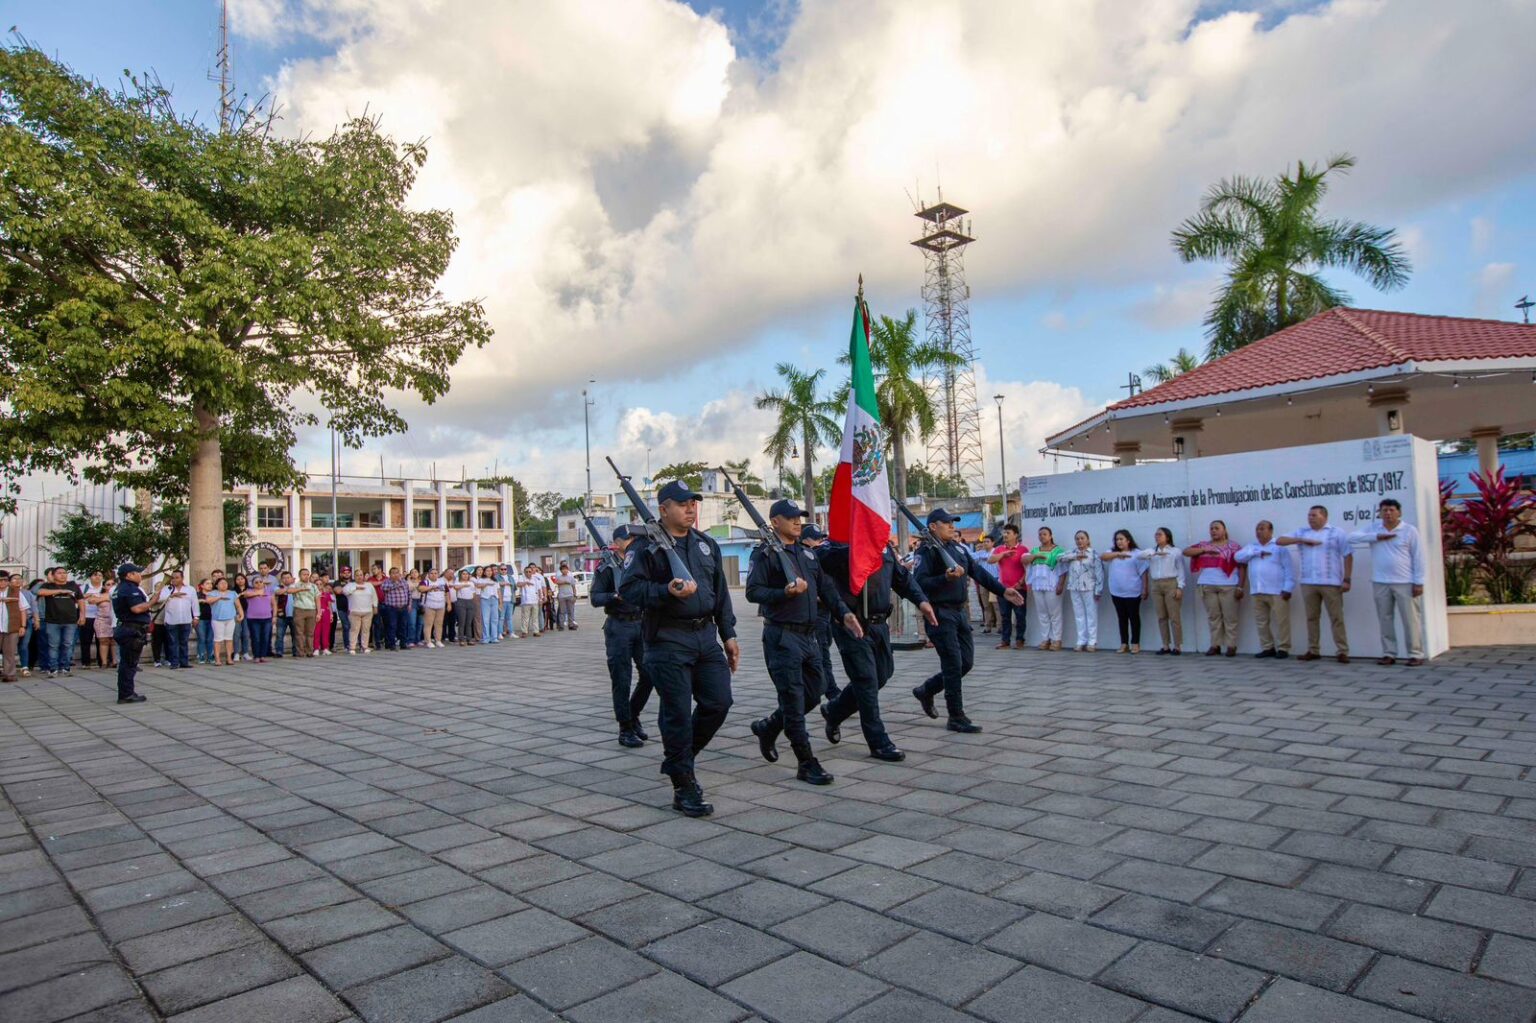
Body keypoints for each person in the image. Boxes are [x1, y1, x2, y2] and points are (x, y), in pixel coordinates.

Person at [619, 479, 740, 817]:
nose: (691, 508)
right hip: (667, 640)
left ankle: (679, 761)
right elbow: (628, 590)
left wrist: (728, 634)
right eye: (683, 503)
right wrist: (665, 592)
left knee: (719, 702)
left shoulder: (705, 544)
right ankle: (684, 784)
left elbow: (721, 593)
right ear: (663, 509)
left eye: (693, 503)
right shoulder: (644, 547)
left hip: (706, 636)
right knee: (676, 713)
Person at [745, 500, 861, 786]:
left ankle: (769, 726)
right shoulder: (765, 554)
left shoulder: (807, 555)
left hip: (810, 636)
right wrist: (784, 592)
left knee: (816, 691)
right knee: (794, 700)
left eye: (799, 517)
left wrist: (844, 613)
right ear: (775, 522)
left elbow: (828, 589)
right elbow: (753, 592)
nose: (798, 522)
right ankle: (806, 761)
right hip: (782, 636)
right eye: (791, 518)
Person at [818, 529, 936, 762]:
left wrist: (921, 600)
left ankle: (835, 710)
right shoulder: (836, 547)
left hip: (880, 625)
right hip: (852, 624)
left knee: (882, 674)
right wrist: (854, 547)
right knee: (866, 680)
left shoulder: (885, 548)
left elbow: (902, 579)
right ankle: (878, 741)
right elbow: (823, 562)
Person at [912, 508, 1024, 733]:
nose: (952, 526)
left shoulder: (957, 548)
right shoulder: (927, 551)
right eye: (947, 523)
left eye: (953, 522)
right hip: (939, 614)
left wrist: (1004, 591)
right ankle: (956, 715)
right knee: (953, 664)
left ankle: (927, 689)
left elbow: (978, 573)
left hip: (960, 613)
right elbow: (919, 582)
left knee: (966, 663)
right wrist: (945, 577)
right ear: (933, 526)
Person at [591, 525, 652, 748]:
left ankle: (632, 714)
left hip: (641, 623)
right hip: (619, 626)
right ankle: (624, 728)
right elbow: (595, 598)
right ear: (618, 543)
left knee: (650, 674)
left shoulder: (639, 562)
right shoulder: (607, 567)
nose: (634, 542)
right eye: (629, 539)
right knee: (622, 679)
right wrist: (613, 595)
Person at [1349, 498, 1426, 666]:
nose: (1388, 513)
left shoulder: (1409, 530)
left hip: (1405, 582)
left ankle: (1415, 654)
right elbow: (1352, 537)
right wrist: (1377, 537)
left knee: (1411, 620)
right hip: (1380, 581)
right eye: (1384, 510)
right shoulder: (1375, 528)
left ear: (1399, 512)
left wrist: (1418, 582)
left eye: (1391, 510)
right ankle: (1389, 653)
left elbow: (1418, 557)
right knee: (1385, 618)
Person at [1278, 505, 1353, 664]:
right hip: (1308, 582)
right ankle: (1313, 649)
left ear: (1324, 517)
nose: (1310, 518)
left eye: (1314, 515)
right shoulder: (1302, 532)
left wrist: (1347, 578)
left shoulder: (1336, 532)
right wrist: (1301, 540)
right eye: (1309, 515)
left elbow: (1347, 555)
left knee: (1336, 618)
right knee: (1312, 617)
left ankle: (1342, 651)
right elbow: (1279, 540)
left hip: (1331, 582)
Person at [1186, 520, 1245, 657]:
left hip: (1229, 585)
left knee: (1230, 617)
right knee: (1214, 617)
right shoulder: (1204, 545)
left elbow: (1242, 567)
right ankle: (1215, 645)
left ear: (1224, 530)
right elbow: (1187, 551)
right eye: (1211, 528)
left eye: (1217, 528)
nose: (1213, 531)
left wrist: (1241, 587)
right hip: (1207, 584)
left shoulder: (1234, 546)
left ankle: (1231, 645)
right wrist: (1204, 550)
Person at [1236, 521, 1294, 659]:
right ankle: (1268, 647)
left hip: (1277, 591)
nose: (1259, 532)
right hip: (1257, 590)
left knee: (1281, 621)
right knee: (1261, 621)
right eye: (1257, 529)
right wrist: (1257, 552)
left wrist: (1288, 588)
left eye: (1262, 529)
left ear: (1271, 531)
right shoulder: (1252, 547)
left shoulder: (1279, 547)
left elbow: (1289, 569)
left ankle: (1283, 648)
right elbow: (1237, 557)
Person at [798, 524, 840, 702]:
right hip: (814, 615)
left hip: (826, 614)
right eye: (817, 538)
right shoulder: (802, 557)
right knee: (822, 655)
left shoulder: (819, 556)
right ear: (805, 540)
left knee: (822, 652)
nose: (821, 542)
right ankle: (832, 692)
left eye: (822, 538)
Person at [1138, 527, 1186, 654]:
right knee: (1161, 616)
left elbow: (1181, 569)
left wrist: (1180, 586)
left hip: (1171, 582)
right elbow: (1139, 555)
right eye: (1156, 534)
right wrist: (1154, 554)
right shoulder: (1152, 550)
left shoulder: (1175, 551)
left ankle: (1177, 646)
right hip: (1156, 584)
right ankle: (1165, 645)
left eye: (1160, 534)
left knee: (1174, 616)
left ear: (1167, 537)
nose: (1157, 536)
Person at [1101, 529, 1148, 653]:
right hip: (1116, 591)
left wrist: (1145, 588)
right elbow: (1103, 557)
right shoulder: (1112, 552)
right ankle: (1124, 643)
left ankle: (1135, 643)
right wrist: (1118, 554)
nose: (1119, 542)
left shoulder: (1137, 553)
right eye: (1117, 539)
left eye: (1121, 539)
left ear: (1128, 540)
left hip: (1133, 591)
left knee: (1134, 617)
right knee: (1122, 618)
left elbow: (1143, 573)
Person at [111, 563, 152, 704]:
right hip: (131, 629)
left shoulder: (120, 588)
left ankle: (127, 692)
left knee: (127, 663)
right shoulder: (129, 589)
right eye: (137, 572)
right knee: (129, 664)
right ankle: (126, 694)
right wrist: (152, 602)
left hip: (127, 628)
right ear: (129, 575)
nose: (140, 575)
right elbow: (136, 608)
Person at [36, 566, 86, 677]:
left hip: (70, 620)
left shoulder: (73, 585)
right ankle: (53, 668)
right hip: (52, 621)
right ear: (53, 575)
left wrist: (82, 615)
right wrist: (61, 590)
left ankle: (66, 667)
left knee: (68, 644)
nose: (62, 575)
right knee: (53, 645)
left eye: (64, 573)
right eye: (59, 573)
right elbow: (40, 592)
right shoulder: (48, 586)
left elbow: (81, 601)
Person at [1061, 530, 1104, 652]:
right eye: (1077, 539)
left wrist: (1098, 590)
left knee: (1091, 615)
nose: (1080, 541)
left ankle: (1092, 641)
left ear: (1088, 540)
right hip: (1074, 587)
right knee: (1079, 615)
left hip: (1089, 587)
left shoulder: (1093, 554)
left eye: (1082, 538)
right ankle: (1081, 640)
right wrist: (1075, 556)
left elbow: (1099, 573)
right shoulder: (1072, 553)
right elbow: (1060, 558)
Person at [989, 525, 1030, 650]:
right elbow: (990, 560)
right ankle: (1005, 641)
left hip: (1019, 588)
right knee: (1005, 615)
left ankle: (1019, 640)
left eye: (1008, 532)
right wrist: (1003, 554)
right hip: (1004, 589)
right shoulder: (999, 549)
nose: (1005, 535)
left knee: (1020, 615)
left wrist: (1021, 581)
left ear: (1016, 534)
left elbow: (1028, 568)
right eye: (1004, 532)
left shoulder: (1023, 549)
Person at [1026, 528, 1066, 651]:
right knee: (1042, 613)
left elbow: (1063, 570)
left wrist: (1060, 584)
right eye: (1040, 535)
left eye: (1044, 534)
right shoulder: (1035, 550)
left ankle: (1056, 639)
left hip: (1052, 585)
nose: (1042, 537)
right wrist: (1035, 556)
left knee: (1054, 614)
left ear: (1050, 536)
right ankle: (1045, 639)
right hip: (1038, 585)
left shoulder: (1058, 550)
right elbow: (1026, 562)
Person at [157, 570, 197, 669]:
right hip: (171, 619)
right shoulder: (167, 589)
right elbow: (159, 599)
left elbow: (194, 603)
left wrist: (196, 616)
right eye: (173, 577)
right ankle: (174, 662)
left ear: (182, 578)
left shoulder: (190, 589)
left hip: (186, 619)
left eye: (177, 577)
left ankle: (184, 662)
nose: (174, 579)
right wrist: (171, 595)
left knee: (184, 642)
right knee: (172, 642)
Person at [203, 577, 242, 665]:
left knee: (229, 639)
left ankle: (229, 658)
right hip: (217, 619)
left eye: (225, 583)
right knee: (218, 640)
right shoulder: (212, 593)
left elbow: (238, 605)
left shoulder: (232, 593)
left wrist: (241, 614)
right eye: (221, 583)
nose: (224, 585)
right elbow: (208, 601)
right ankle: (217, 659)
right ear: (216, 585)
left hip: (230, 619)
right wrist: (219, 597)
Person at [288, 569, 320, 658]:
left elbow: (317, 599)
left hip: (311, 609)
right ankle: (300, 652)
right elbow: (289, 591)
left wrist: (319, 612)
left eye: (307, 574)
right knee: (299, 632)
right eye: (304, 574)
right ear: (300, 575)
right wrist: (300, 589)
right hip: (299, 609)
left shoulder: (313, 586)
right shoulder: (295, 585)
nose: (306, 576)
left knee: (310, 633)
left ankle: (309, 651)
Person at [242, 576, 274, 662]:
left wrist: (274, 616)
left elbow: (274, 604)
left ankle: (263, 655)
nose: (259, 583)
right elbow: (245, 595)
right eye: (256, 582)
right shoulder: (249, 591)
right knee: (255, 637)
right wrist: (258, 594)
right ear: (252, 584)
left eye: (260, 582)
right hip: (253, 618)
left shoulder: (269, 591)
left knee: (265, 637)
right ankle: (256, 655)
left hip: (267, 617)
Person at [346, 571, 379, 654]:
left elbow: (374, 597)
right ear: (354, 576)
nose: (359, 577)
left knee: (366, 629)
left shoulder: (369, 585)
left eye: (361, 575)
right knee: (354, 629)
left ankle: (364, 647)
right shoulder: (350, 585)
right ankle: (352, 647)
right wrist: (356, 588)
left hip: (367, 611)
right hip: (354, 611)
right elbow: (345, 592)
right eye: (357, 575)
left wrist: (375, 607)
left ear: (363, 576)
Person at [88, 574, 117, 669]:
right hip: (102, 620)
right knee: (103, 641)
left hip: (114, 620)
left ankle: (114, 661)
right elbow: (91, 600)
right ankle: (104, 662)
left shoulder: (118, 594)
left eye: (113, 584)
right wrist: (106, 597)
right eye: (108, 584)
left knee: (114, 641)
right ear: (104, 586)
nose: (111, 586)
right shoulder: (100, 594)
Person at [1, 573, 26, 684]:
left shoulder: (17, 592)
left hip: (12, 626)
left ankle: (9, 674)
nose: (2, 583)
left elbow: (23, 610)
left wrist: (23, 626)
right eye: (0, 580)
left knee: (10, 652)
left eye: (5, 580)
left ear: (8, 581)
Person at [378, 567, 410, 651]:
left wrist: (409, 604)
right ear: (390, 574)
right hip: (392, 608)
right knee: (392, 626)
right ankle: (391, 645)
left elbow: (408, 593)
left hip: (403, 607)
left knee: (403, 626)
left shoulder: (404, 581)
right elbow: (383, 588)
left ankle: (403, 644)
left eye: (397, 573)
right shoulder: (386, 582)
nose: (395, 574)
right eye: (393, 573)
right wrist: (396, 584)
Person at [80, 570, 106, 668]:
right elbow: (76, 599)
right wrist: (87, 595)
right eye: (95, 575)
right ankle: (86, 662)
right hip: (87, 616)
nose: (98, 577)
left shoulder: (104, 589)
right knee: (86, 640)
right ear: (90, 577)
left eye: (100, 575)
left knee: (101, 640)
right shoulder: (84, 588)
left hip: (101, 617)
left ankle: (102, 661)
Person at [973, 536, 1000, 633]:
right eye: (984, 542)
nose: (985, 543)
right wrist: (980, 556)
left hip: (995, 579)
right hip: (983, 581)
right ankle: (987, 625)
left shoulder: (996, 551)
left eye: (987, 541)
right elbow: (970, 556)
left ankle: (999, 626)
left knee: (996, 605)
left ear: (993, 543)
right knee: (986, 605)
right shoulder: (980, 553)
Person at [272, 571, 299, 658]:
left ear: (292, 578)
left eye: (288, 577)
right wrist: (288, 589)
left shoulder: (296, 587)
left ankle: (296, 651)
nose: (286, 579)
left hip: (294, 614)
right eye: (284, 578)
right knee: (280, 635)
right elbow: (278, 592)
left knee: (295, 634)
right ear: (281, 579)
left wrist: (291, 588)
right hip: (281, 615)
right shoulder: (277, 587)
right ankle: (279, 651)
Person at [419, 568, 449, 647]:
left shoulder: (442, 582)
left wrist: (449, 604)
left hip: (441, 605)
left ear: (438, 574)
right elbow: (420, 588)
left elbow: (447, 593)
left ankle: (438, 640)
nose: (434, 575)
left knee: (439, 624)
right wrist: (431, 587)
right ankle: (428, 641)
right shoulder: (425, 582)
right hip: (429, 605)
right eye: (432, 573)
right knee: (428, 624)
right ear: (428, 574)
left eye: (435, 573)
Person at [517, 565, 544, 638]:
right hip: (525, 601)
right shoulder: (522, 578)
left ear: (532, 572)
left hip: (535, 600)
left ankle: (536, 631)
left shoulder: (535, 579)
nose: (528, 573)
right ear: (524, 572)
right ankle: (524, 632)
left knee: (535, 617)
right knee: (525, 618)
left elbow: (539, 590)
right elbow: (518, 584)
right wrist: (526, 583)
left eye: (529, 571)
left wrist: (541, 599)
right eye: (527, 572)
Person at [312, 571, 335, 656]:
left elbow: (329, 605)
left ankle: (325, 648)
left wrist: (331, 614)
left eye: (320, 584)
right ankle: (316, 648)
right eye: (317, 584)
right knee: (317, 631)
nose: (319, 586)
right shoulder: (313, 594)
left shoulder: (326, 594)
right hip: (317, 613)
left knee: (326, 631)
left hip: (326, 613)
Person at [452, 570, 477, 645]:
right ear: (460, 575)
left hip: (470, 602)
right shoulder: (458, 582)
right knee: (462, 622)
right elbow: (456, 587)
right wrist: (463, 585)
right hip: (461, 602)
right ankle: (461, 639)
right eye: (463, 574)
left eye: (467, 574)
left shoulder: (471, 583)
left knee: (469, 622)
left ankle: (469, 639)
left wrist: (473, 602)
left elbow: (474, 593)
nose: (465, 575)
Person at [478, 567, 501, 643]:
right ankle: (486, 638)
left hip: (494, 599)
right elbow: (478, 586)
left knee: (495, 619)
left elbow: (498, 591)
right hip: (485, 599)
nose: (489, 572)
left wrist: (500, 602)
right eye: (487, 571)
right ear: (484, 572)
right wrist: (486, 583)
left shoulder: (495, 580)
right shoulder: (481, 579)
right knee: (485, 619)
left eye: (490, 571)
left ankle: (494, 637)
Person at [194, 577, 215, 664]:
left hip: (212, 618)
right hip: (201, 618)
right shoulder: (197, 595)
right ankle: (201, 655)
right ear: (202, 586)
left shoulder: (214, 594)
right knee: (201, 638)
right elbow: (193, 604)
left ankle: (211, 656)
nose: (210, 585)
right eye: (207, 583)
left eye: (211, 583)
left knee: (210, 638)